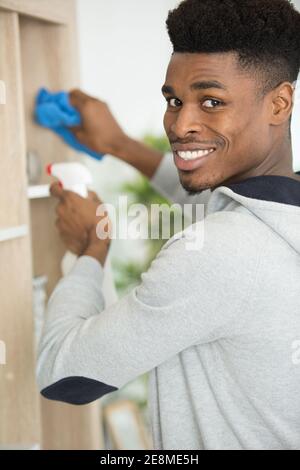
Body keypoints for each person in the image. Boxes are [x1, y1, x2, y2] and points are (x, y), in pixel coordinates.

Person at [37, 0, 300, 450]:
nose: (180, 124)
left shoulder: (220, 252)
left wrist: (90, 251)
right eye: (174, 101)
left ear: (279, 103)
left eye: (211, 102)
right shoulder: (276, 217)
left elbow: (64, 377)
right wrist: (120, 144)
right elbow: (217, 203)